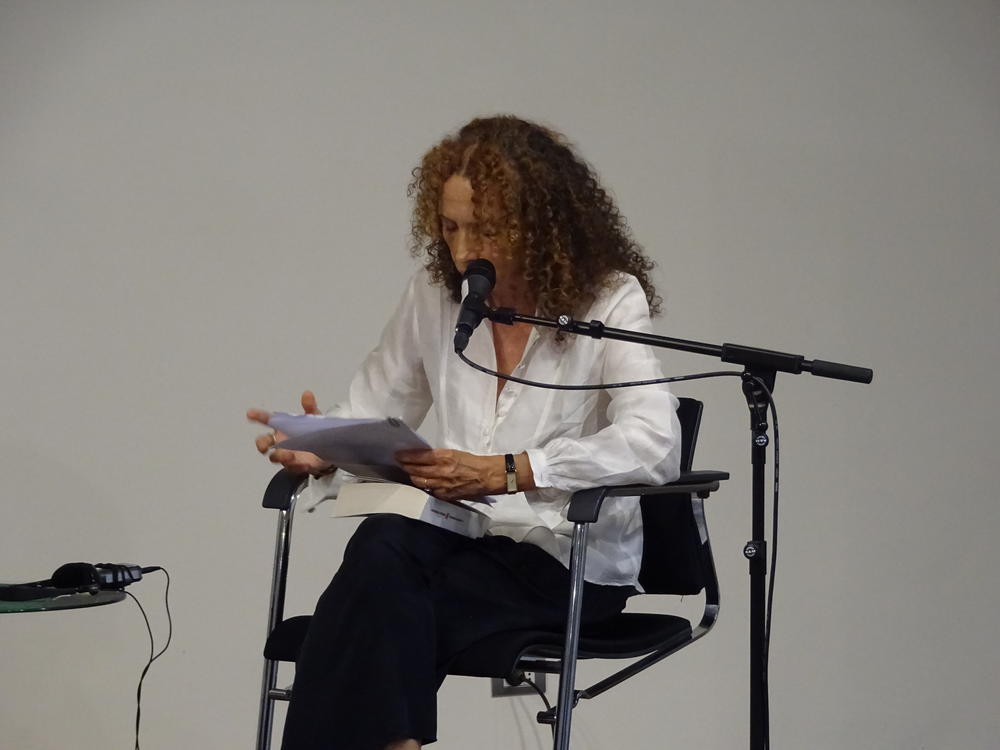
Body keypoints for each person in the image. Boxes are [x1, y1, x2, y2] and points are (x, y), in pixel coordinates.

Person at [247, 115, 682, 750]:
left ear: (540, 224)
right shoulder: (436, 294)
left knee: (365, 617)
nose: (460, 251)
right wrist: (320, 447)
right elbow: (372, 407)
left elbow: (655, 441)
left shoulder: (607, 299)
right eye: (450, 227)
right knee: (383, 547)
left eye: (485, 229)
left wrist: (512, 471)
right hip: (455, 542)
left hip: (563, 560)